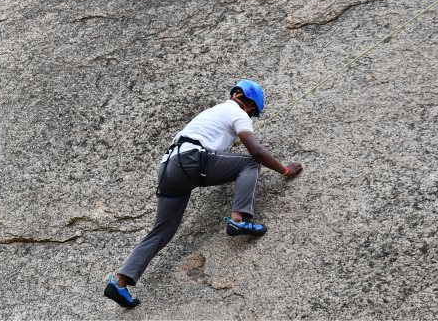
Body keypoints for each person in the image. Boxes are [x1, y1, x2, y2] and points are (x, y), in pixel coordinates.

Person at [103, 80, 303, 308]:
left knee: (162, 231)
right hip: (191, 161)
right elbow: (256, 151)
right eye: (254, 112)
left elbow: (212, 146)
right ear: (250, 105)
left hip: (168, 169)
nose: (251, 115)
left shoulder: (214, 112)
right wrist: (285, 170)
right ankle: (239, 220)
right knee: (250, 164)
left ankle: (119, 283)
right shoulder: (237, 113)